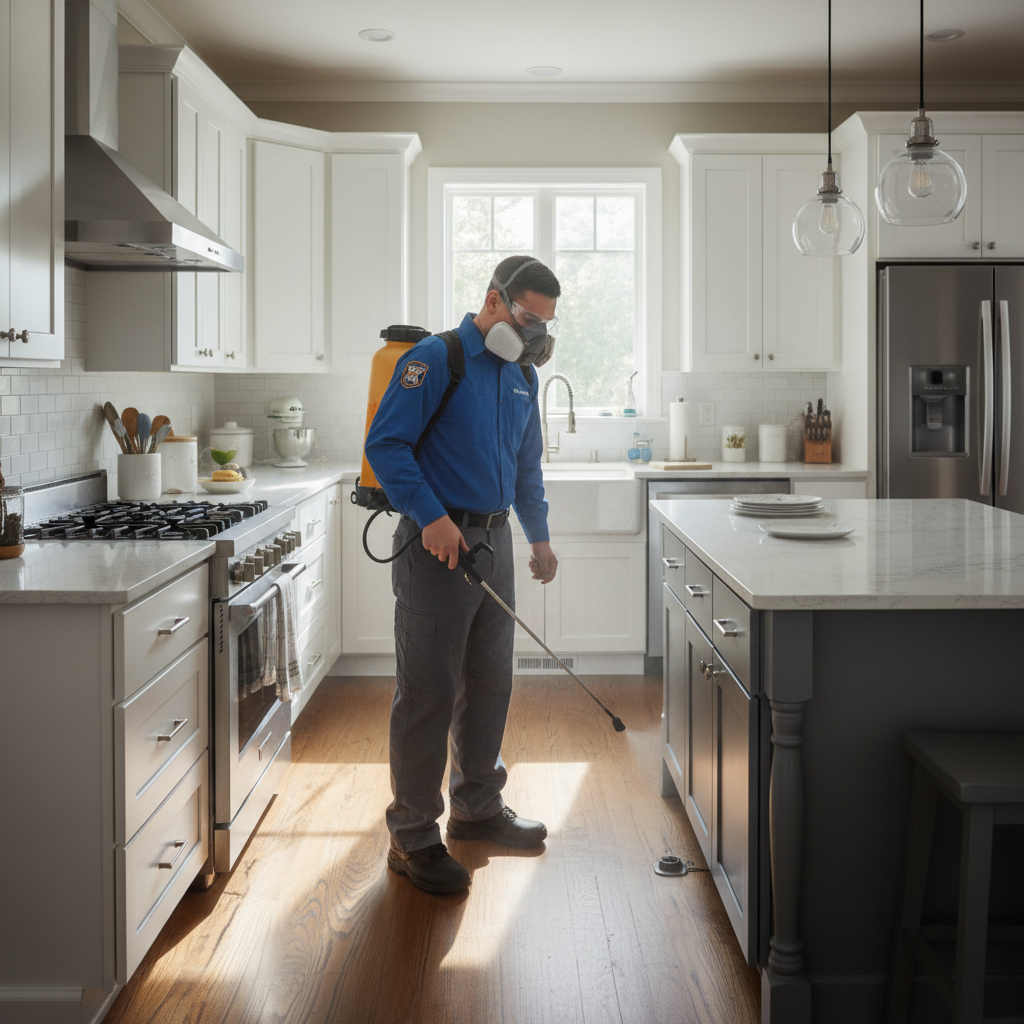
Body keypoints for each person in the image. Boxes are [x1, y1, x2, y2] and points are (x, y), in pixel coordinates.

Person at [364, 255, 560, 895]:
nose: (535, 333)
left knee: (489, 683)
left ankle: (477, 808)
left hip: (494, 543)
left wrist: (538, 537)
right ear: (493, 301)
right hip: (437, 546)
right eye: (527, 317)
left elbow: (526, 467)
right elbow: (385, 445)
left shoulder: (522, 374)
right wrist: (431, 517)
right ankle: (412, 836)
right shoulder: (436, 358)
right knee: (430, 691)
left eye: (545, 323)